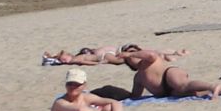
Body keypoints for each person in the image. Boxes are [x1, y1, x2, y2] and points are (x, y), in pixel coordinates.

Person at [126, 49, 221, 100]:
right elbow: (135, 96)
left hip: (169, 74)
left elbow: (150, 54)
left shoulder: (149, 60)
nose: (132, 55)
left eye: (134, 52)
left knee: (183, 85)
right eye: (129, 55)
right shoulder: (138, 77)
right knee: (196, 94)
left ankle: (213, 87)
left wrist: (130, 54)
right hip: (168, 91)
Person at [43, 44, 190, 66]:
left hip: (105, 55)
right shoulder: (75, 59)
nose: (67, 57)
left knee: (130, 54)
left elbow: (84, 62)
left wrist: (97, 63)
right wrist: (97, 63)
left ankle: (168, 54)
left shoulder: (76, 57)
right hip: (106, 55)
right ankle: (169, 54)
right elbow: (85, 62)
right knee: (130, 55)